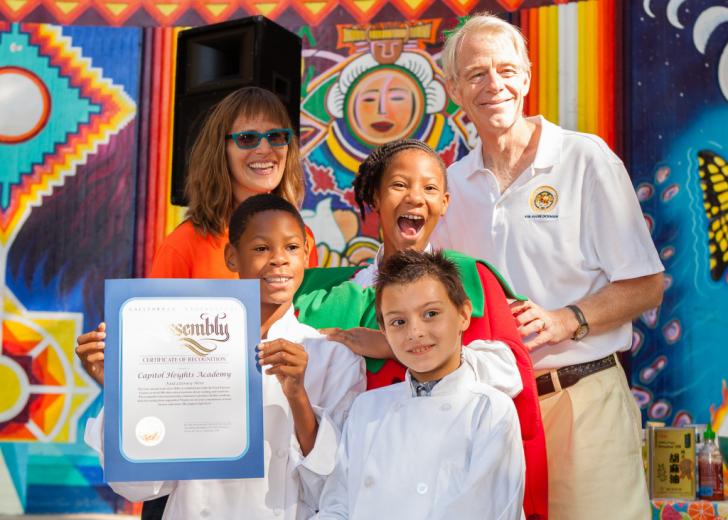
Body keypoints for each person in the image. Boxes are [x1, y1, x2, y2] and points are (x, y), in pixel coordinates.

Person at [431, 13, 664, 520]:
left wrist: (566, 319)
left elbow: (647, 286)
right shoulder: (451, 185)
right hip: (491, 413)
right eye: (476, 74)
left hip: (582, 401)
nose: (495, 85)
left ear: (527, 78)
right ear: (452, 88)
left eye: (506, 70)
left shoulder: (585, 159)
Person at [293, 138, 547, 519]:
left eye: (429, 188)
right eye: (398, 185)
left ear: (444, 203)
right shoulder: (326, 296)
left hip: (453, 474)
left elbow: (512, 374)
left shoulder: (468, 279)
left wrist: (391, 346)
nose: (415, 197)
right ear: (375, 198)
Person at [83, 194, 365, 519]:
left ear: (306, 253)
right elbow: (140, 485)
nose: (278, 260)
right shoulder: (182, 349)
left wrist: (297, 395)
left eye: (291, 248)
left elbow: (331, 487)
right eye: (261, 248)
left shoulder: (335, 358)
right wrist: (120, 390)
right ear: (232, 257)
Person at [77, 86, 318, 386]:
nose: (265, 149)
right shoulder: (185, 244)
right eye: (247, 138)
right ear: (221, 151)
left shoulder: (304, 237)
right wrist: (110, 374)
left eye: (276, 136)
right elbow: (155, 351)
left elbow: (302, 331)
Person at [315, 249, 524, 519]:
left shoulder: (490, 411)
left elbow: (484, 510)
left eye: (430, 314)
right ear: (384, 329)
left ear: (463, 314)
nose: (415, 332)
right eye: (399, 322)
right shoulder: (366, 409)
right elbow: (337, 506)